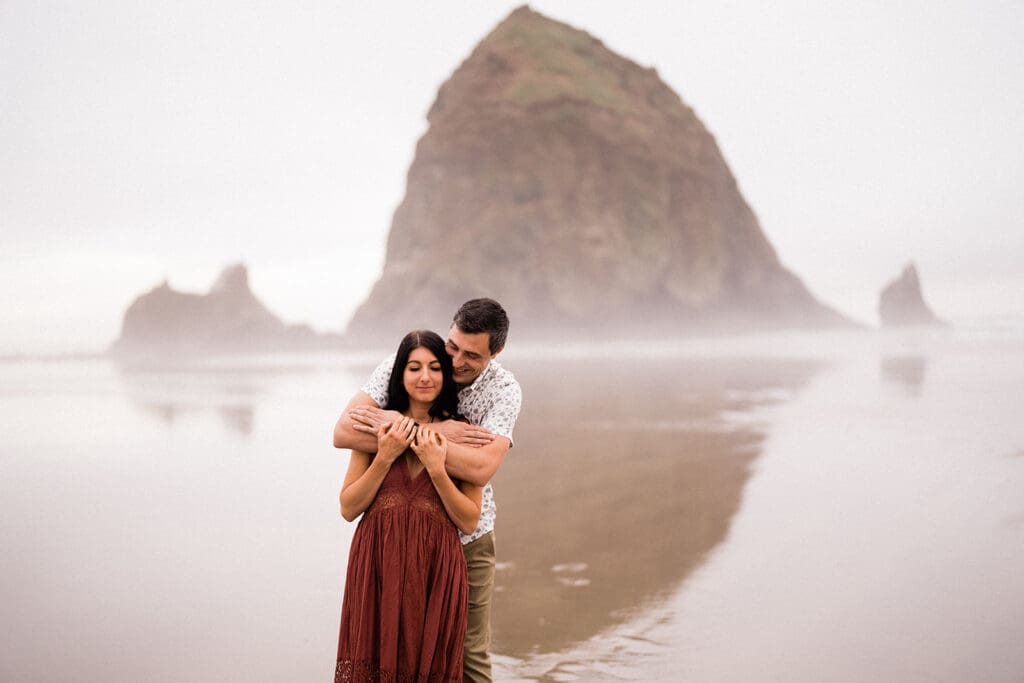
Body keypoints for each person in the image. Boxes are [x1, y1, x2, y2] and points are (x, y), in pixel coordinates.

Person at [333, 298, 522, 683]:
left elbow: (482, 469)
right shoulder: (409, 361)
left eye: (471, 355)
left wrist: (423, 446)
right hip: (387, 547)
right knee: (379, 651)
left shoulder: (503, 391)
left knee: (464, 659)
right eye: (452, 347)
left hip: (463, 542)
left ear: (495, 352)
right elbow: (343, 432)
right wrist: (424, 433)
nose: (451, 364)